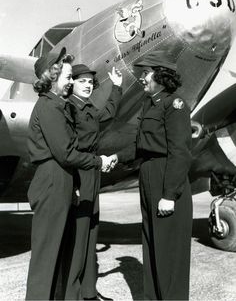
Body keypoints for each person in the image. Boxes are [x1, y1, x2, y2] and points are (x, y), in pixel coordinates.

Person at [26, 47, 113, 300]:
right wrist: (99, 161)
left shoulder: (58, 106)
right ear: (52, 79)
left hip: (61, 180)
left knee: (56, 253)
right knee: (46, 257)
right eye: (67, 77)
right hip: (52, 181)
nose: (70, 82)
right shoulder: (49, 108)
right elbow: (66, 153)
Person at [116, 50, 193, 300]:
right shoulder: (150, 103)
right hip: (148, 176)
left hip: (165, 178)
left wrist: (170, 194)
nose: (142, 78)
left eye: (146, 73)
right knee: (151, 246)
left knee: (169, 253)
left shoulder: (175, 105)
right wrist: (115, 157)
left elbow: (180, 153)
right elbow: (142, 145)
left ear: (160, 75)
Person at [63, 64, 122, 301]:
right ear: (72, 84)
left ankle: (88, 292)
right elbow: (67, 149)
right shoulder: (68, 108)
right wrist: (74, 182)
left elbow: (107, 113)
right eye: (82, 81)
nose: (88, 85)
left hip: (92, 173)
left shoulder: (86, 107)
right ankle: (72, 294)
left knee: (91, 233)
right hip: (79, 172)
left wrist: (117, 87)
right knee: (78, 237)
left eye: (90, 82)